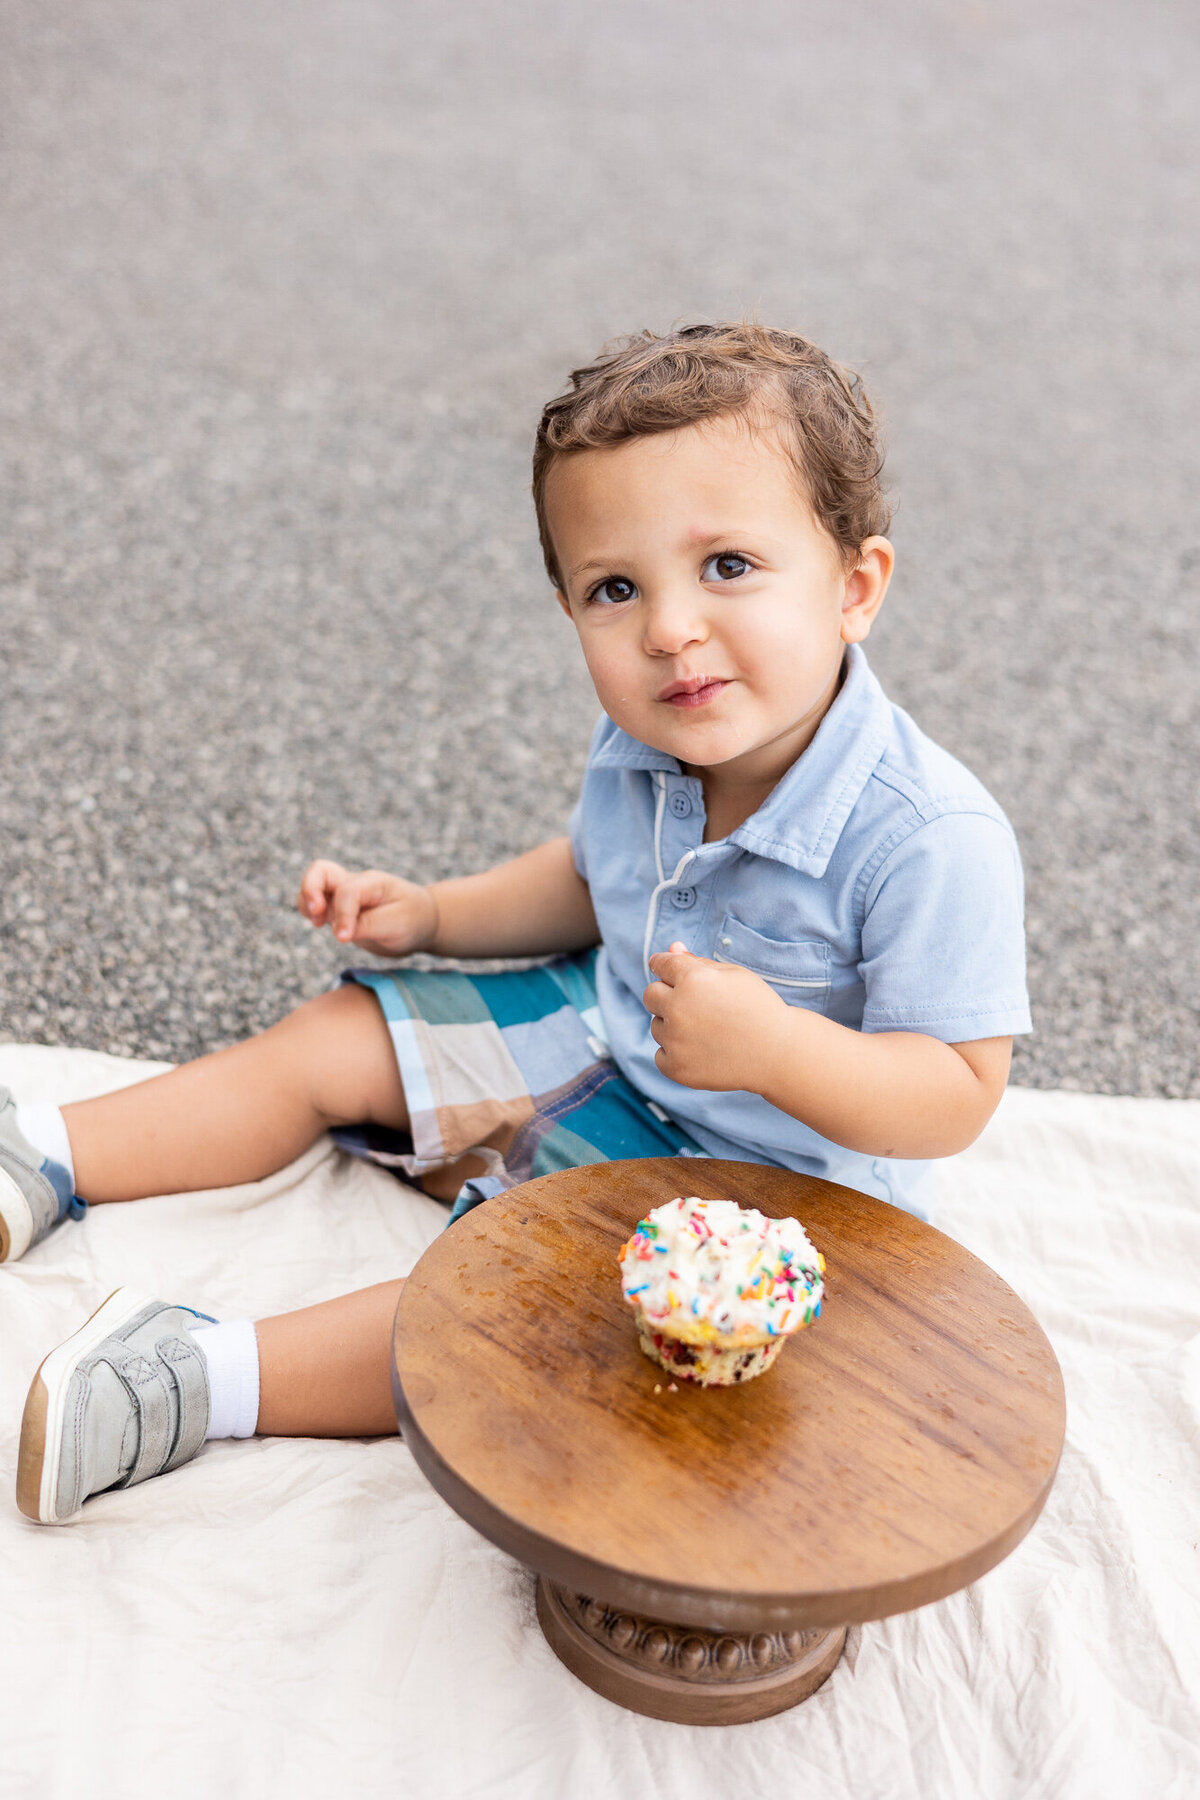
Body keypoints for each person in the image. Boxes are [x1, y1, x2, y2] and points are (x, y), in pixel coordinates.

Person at [2, 322, 1031, 1525]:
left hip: (762, 1177)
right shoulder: (657, 733)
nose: (669, 629)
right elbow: (594, 882)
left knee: (519, 1301)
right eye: (615, 588)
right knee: (337, 1037)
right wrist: (437, 913)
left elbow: (956, 1087)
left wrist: (777, 1051)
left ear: (856, 586)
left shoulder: (931, 837)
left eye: (730, 567)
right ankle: (51, 1154)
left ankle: (194, 1376)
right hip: (605, 1033)